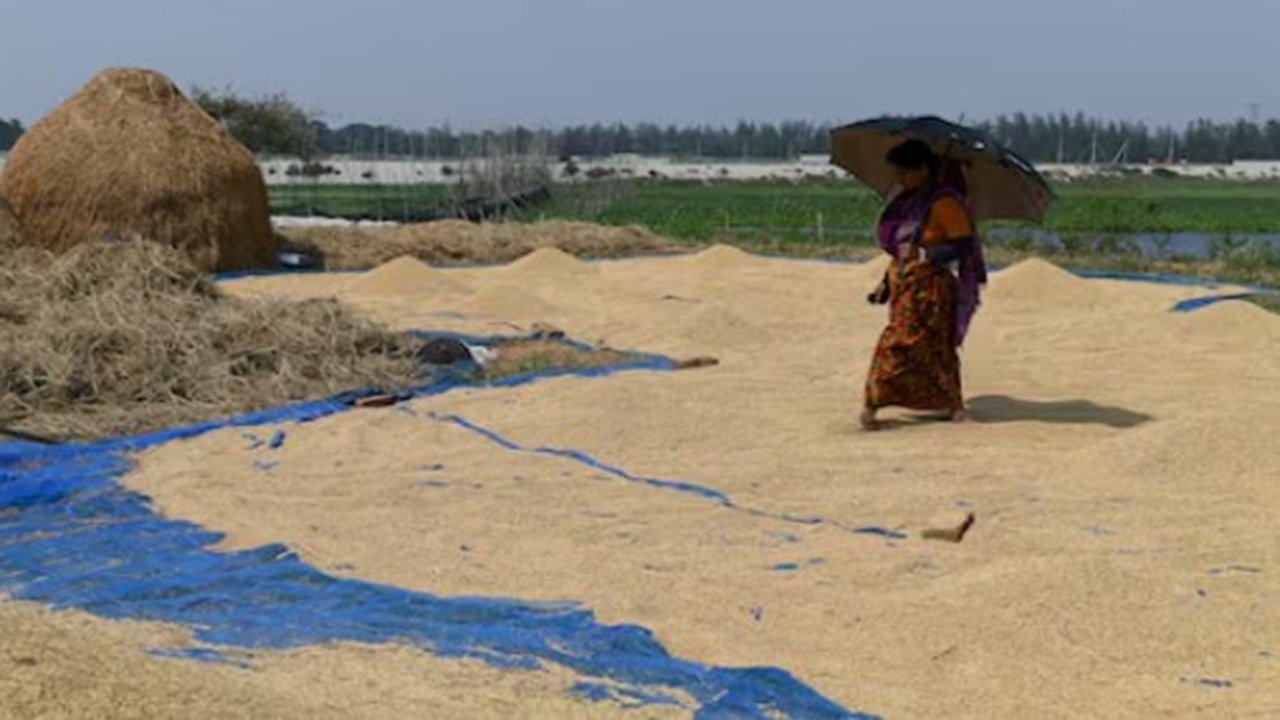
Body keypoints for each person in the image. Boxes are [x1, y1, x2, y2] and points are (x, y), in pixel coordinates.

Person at [860, 139, 987, 431]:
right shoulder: (908, 204)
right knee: (908, 343)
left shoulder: (945, 203)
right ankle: (882, 402)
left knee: (919, 346)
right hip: (904, 287)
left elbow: (963, 245)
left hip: (932, 290)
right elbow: (901, 250)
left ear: (923, 170)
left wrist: (927, 254)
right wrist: (885, 284)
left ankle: (875, 405)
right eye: (898, 173)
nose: (900, 179)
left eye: (905, 172)